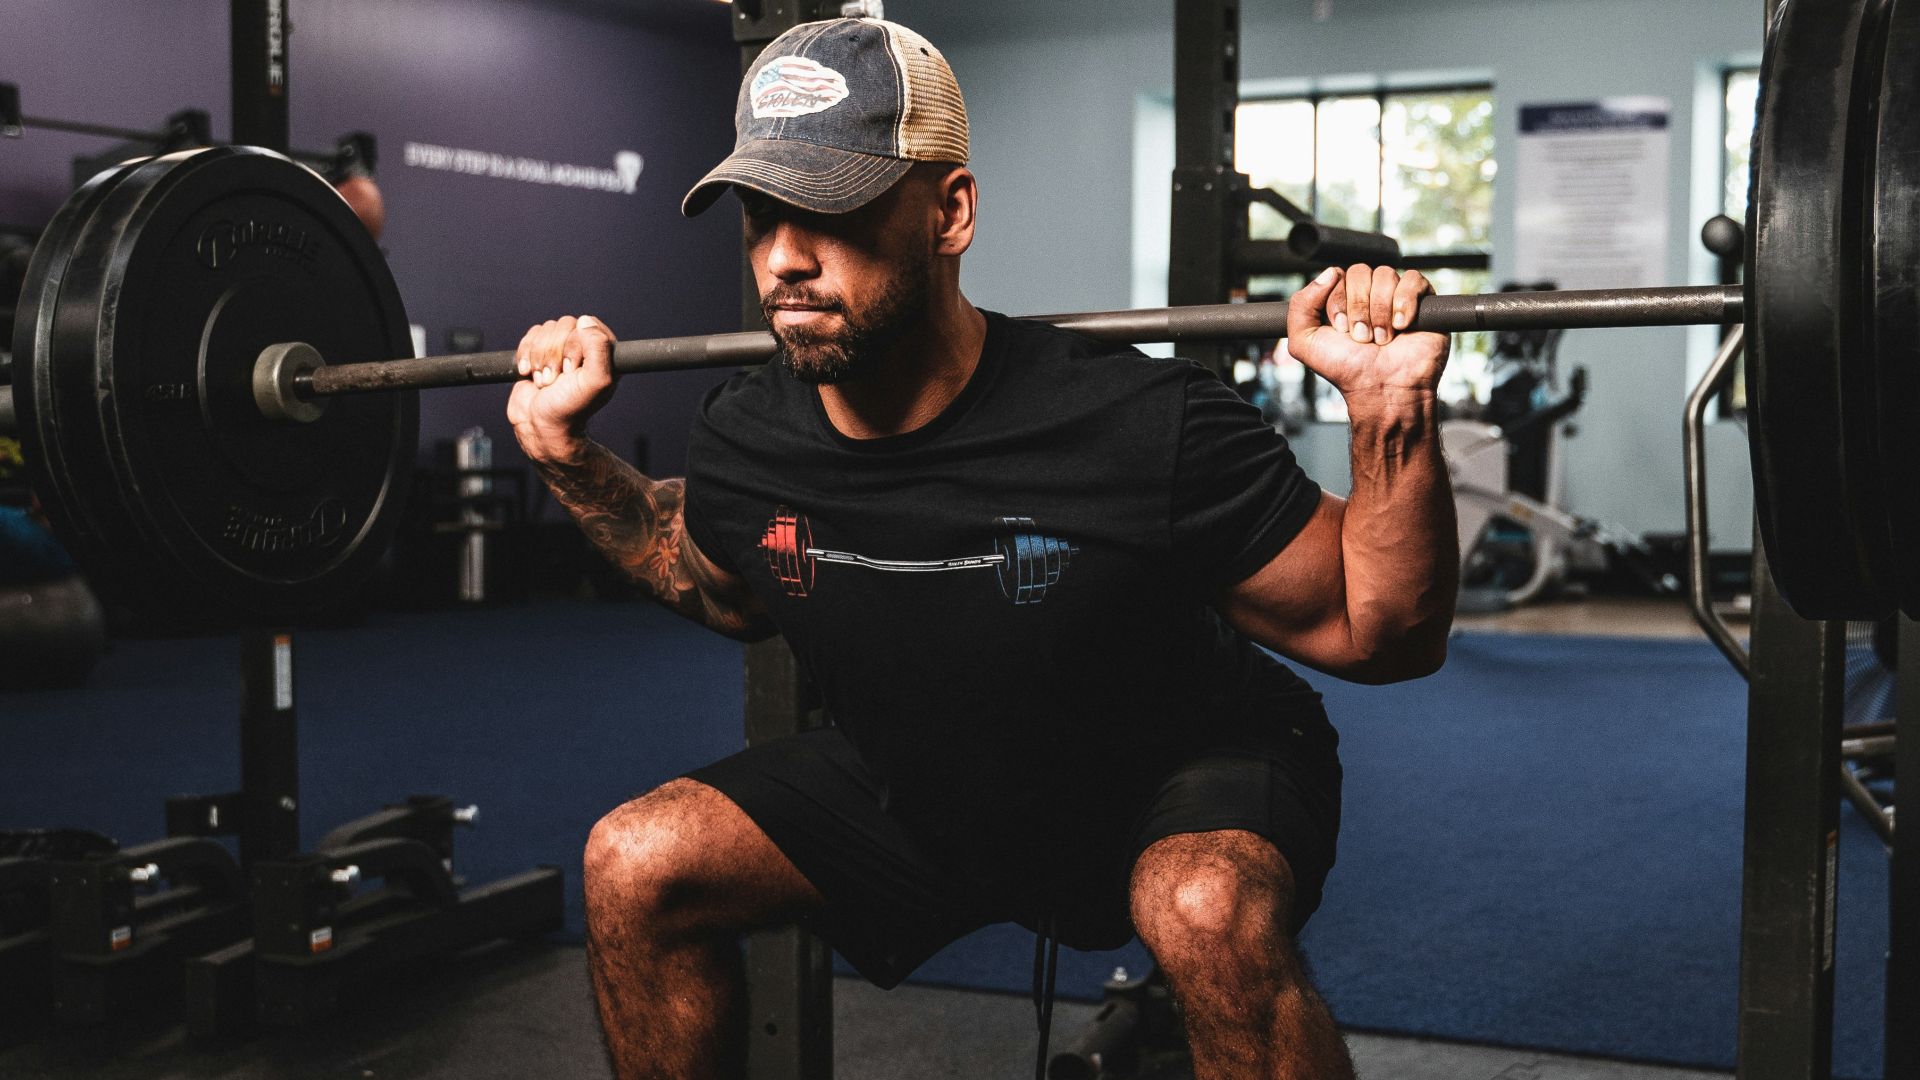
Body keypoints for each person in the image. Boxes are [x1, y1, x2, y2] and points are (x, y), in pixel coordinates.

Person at [508, 17, 1455, 1080]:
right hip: (931, 775)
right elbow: (725, 588)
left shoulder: (1143, 420)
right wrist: (566, 456)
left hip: (1172, 768)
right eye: (761, 213)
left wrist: (1389, 412)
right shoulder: (747, 432)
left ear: (950, 213)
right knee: (635, 861)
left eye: (832, 208)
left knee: (1206, 908)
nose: (784, 257)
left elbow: (1377, 630)